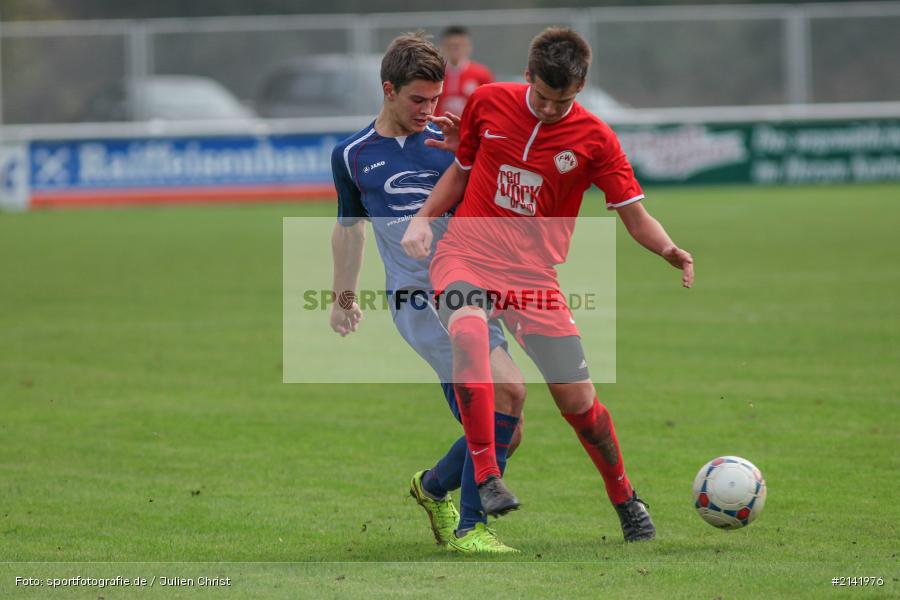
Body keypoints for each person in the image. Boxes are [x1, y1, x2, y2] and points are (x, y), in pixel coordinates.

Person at [402, 27, 695, 542]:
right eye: (542, 96)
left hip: (535, 278)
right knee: (470, 333)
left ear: (578, 88)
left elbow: (634, 214)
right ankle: (488, 477)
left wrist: (668, 248)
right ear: (528, 76)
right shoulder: (488, 102)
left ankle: (625, 498)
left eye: (563, 101)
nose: (551, 108)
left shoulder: (596, 139)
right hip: (466, 254)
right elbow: (460, 171)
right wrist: (425, 217)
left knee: (578, 403)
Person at [329, 33, 526, 554]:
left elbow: (497, 198)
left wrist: (473, 151)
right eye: (418, 99)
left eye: (435, 99)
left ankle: (434, 487)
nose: (428, 110)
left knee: (509, 424)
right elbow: (349, 230)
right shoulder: (352, 155)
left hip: (469, 288)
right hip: (422, 304)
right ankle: (470, 528)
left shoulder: (448, 141)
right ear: (388, 89)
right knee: (505, 396)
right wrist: (342, 298)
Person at [434, 26, 494, 117]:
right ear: (442, 47)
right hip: (438, 127)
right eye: (450, 46)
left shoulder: (481, 73)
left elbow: (489, 104)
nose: (455, 49)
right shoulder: (434, 72)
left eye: (459, 46)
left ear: (468, 47)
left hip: (470, 128)